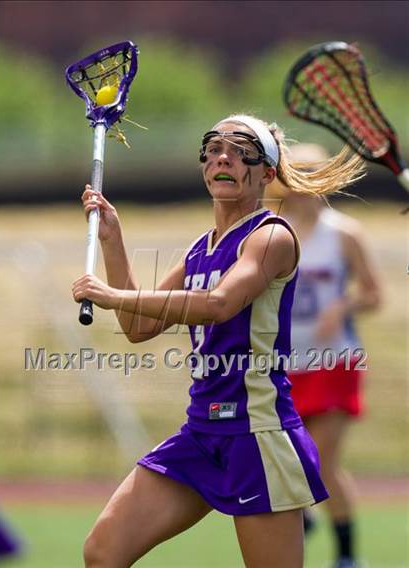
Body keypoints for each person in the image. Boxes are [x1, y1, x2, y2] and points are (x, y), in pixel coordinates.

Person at [72, 115, 366, 568]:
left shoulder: (271, 237)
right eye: (213, 149)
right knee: (103, 551)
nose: (222, 157)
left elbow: (219, 304)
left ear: (267, 173)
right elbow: (136, 327)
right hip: (202, 433)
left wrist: (111, 295)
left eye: (241, 150)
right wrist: (113, 241)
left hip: (258, 436)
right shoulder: (199, 249)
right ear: (205, 168)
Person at [266, 143, 381, 568]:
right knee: (286, 460)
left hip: (334, 361)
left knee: (324, 462)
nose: (304, 180)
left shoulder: (344, 233)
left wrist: (343, 306)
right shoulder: (272, 230)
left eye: (313, 170)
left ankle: (347, 556)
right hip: (285, 363)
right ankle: (304, 517)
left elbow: (373, 294)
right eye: (296, 171)